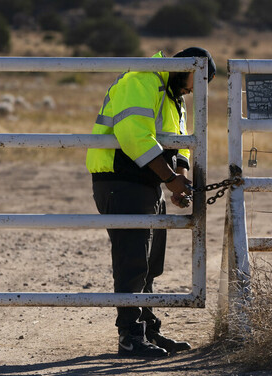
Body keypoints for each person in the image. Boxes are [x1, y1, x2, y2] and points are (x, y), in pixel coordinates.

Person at [86, 47, 216, 357]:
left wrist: (177, 177)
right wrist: (171, 179)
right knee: (132, 260)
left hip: (146, 182)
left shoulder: (172, 94)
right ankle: (130, 337)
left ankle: (146, 328)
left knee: (148, 263)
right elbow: (134, 135)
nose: (192, 91)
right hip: (122, 181)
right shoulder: (142, 80)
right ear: (185, 69)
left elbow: (180, 141)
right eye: (194, 83)